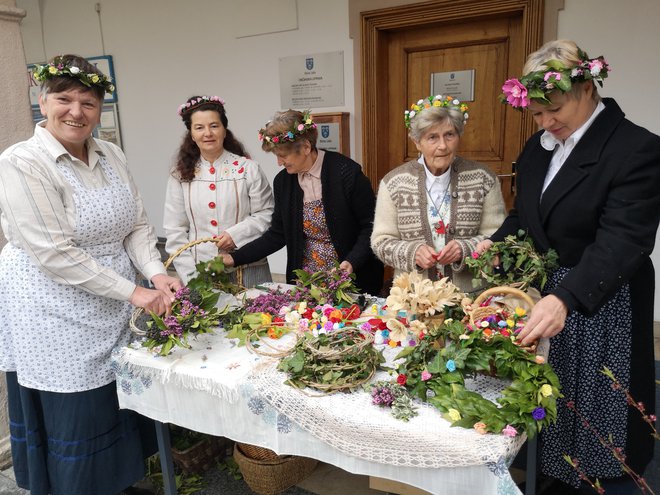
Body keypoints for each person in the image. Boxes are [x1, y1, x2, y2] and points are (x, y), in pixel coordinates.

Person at [480, 40, 660, 493]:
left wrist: (566, 296)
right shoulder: (540, 146)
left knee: (599, 398)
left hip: (603, 293)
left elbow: (624, 239)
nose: (546, 123)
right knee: (553, 388)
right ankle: (553, 469)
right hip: (551, 290)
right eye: (537, 114)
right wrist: (493, 249)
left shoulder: (636, 148)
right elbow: (525, 215)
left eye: (554, 110)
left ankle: (599, 473)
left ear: (586, 88)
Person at [0, 54, 182, 495]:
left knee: (116, 402)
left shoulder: (111, 153)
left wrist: (156, 273)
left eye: (88, 103)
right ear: (42, 101)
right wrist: (135, 293)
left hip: (114, 297)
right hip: (52, 305)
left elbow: (136, 224)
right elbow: (53, 253)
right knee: (78, 409)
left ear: (100, 109)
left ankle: (115, 484)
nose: (76, 112)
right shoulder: (23, 161)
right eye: (64, 99)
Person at [221, 110, 383, 296]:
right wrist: (234, 259)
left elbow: (371, 227)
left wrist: (351, 261)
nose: (279, 162)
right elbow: (277, 234)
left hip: (352, 279)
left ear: (306, 147)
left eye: (283, 155)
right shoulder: (284, 182)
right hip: (307, 282)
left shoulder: (346, 173)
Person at [371, 95, 506, 293]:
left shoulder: (483, 179)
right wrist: (413, 252)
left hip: (470, 298)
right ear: (417, 142)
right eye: (432, 137)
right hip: (414, 298)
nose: (442, 145)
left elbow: (498, 236)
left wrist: (464, 249)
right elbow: (381, 242)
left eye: (449, 135)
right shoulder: (394, 183)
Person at [164, 95, 274, 287]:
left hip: (249, 267)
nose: (208, 133)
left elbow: (266, 214)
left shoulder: (248, 169)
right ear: (191, 134)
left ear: (224, 130)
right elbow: (175, 230)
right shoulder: (180, 175)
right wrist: (192, 278)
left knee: (259, 316)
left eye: (214, 125)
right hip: (201, 272)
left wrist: (236, 235)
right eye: (199, 127)